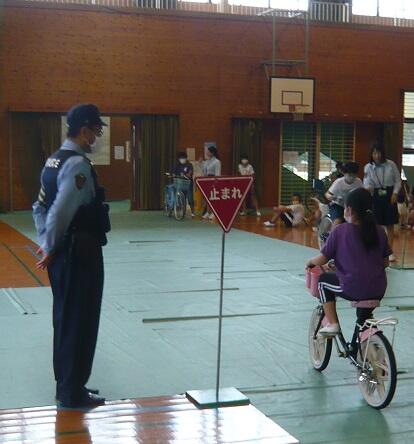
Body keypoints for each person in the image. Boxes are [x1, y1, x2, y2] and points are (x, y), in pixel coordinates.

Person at [32, 104, 110, 409]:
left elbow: (39, 207)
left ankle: (67, 384)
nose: (97, 137)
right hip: (80, 253)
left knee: (65, 318)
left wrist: (46, 242)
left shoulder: (53, 160)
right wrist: (51, 247)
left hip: (65, 253)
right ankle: (72, 392)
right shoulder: (77, 165)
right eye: (96, 131)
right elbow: (61, 211)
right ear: (84, 130)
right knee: (81, 319)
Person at [306, 188, 391, 336]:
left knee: (323, 281)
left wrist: (310, 262)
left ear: (349, 210)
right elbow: (385, 263)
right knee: (363, 319)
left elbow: (322, 259)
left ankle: (333, 324)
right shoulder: (379, 231)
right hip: (379, 289)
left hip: (353, 287)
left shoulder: (340, 230)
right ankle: (365, 340)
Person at [363, 143, 401, 261]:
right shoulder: (368, 167)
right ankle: (377, 249)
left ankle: (389, 251)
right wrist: (367, 189)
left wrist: (395, 193)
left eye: (379, 153)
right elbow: (366, 182)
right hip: (375, 195)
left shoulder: (391, 164)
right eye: (374, 153)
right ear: (371, 154)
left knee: (390, 224)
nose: (377, 155)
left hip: (390, 194)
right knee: (376, 224)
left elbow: (398, 180)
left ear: (383, 153)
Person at [325, 161, 363, 228]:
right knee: (338, 220)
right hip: (337, 205)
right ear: (344, 173)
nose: (351, 177)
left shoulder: (358, 182)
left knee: (356, 221)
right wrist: (333, 197)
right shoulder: (339, 182)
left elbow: (361, 195)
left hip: (351, 206)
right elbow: (327, 194)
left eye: (354, 175)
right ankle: (333, 233)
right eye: (349, 175)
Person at [199, 145, 221, 220]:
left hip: (213, 180)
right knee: (207, 197)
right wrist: (200, 163)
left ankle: (214, 213)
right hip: (207, 179)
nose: (207, 153)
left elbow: (217, 173)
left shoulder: (217, 162)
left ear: (212, 153)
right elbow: (204, 171)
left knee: (212, 197)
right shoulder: (207, 161)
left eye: (208, 152)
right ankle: (208, 212)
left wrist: (215, 183)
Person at [173, 152, 195, 217]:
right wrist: (173, 175)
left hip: (188, 184)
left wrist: (187, 175)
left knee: (190, 199)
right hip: (180, 183)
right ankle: (183, 211)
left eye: (183, 158)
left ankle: (193, 212)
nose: (182, 159)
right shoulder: (177, 165)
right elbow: (173, 172)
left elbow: (190, 173)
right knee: (182, 198)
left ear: (186, 158)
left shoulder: (189, 165)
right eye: (181, 158)